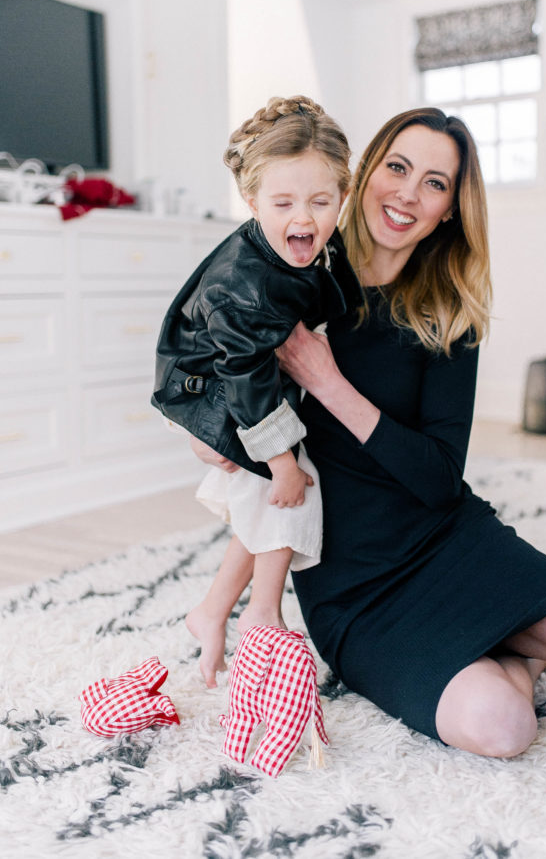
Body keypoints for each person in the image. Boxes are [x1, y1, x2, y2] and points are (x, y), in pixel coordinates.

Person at [194, 105, 546, 756]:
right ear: (364, 175)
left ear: (449, 208)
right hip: (354, 592)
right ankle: (527, 651)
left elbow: (441, 479)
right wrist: (204, 441)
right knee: (501, 728)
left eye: (435, 183)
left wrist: (331, 384)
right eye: (397, 167)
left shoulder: (448, 314)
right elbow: (243, 427)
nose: (408, 194)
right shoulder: (297, 277)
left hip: (449, 542)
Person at [152, 95, 360, 687]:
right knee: (289, 487)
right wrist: (282, 459)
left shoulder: (313, 244)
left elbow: (329, 292)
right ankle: (265, 613)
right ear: (251, 202)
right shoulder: (244, 284)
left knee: (261, 493)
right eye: (284, 203)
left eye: (321, 202)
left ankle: (213, 610)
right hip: (205, 384)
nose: (306, 217)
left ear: (341, 199)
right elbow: (244, 377)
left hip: (240, 372)